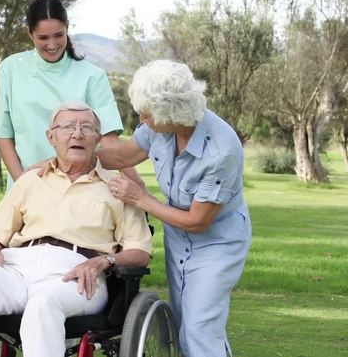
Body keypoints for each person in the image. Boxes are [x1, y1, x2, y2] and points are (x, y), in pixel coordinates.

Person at [0, 102, 153, 357]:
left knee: (43, 304)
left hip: (77, 274)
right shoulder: (31, 180)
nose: (77, 134)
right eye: (68, 127)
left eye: (86, 128)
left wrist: (104, 261)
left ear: (97, 139)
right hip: (18, 266)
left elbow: (140, 251)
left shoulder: (118, 188)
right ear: (51, 137)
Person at [95, 60, 252, 357]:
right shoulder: (159, 129)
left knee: (199, 329)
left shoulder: (221, 150)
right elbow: (120, 157)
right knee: (186, 325)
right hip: (178, 239)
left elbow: (197, 221)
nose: (141, 117)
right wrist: (73, 155)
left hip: (218, 243)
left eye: (147, 112)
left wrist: (141, 198)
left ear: (171, 112)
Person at [0, 0, 142, 189]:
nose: (52, 44)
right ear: (29, 33)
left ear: (67, 28)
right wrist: (24, 185)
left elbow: (108, 139)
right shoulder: (10, 69)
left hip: (79, 189)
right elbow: (4, 135)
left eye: (58, 35)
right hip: (26, 187)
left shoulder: (92, 76)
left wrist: (137, 184)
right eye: (43, 38)